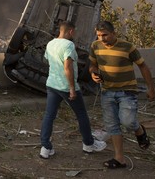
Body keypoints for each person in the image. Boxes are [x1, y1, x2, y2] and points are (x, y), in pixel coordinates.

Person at [89, 20, 155, 169]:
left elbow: (143, 66)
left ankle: (139, 130)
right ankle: (119, 159)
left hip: (127, 92)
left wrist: (151, 88)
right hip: (107, 92)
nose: (102, 38)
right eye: (99, 35)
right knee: (112, 125)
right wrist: (93, 73)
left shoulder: (127, 47)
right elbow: (92, 65)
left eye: (105, 35)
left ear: (114, 33)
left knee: (128, 122)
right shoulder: (95, 46)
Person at [39, 21, 107, 159]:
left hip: (52, 84)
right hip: (65, 86)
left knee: (49, 116)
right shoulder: (69, 45)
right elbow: (67, 68)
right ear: (70, 31)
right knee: (81, 114)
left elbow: (49, 61)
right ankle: (89, 144)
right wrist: (72, 89)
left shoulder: (50, 43)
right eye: (74, 32)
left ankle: (45, 147)